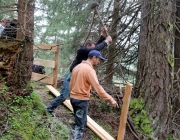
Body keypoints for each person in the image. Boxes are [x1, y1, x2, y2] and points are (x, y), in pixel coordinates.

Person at [46, 26, 112, 116]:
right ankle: (49, 109)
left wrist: (103, 34)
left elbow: (96, 47)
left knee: (76, 97)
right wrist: (106, 41)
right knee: (64, 96)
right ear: (88, 46)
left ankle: (77, 114)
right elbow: (95, 49)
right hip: (71, 75)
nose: (92, 52)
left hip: (77, 76)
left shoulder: (88, 51)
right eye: (91, 48)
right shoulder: (81, 50)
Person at [69, 50, 118, 140]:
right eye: (99, 59)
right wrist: (110, 98)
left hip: (73, 99)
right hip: (81, 101)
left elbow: (71, 84)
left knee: (81, 123)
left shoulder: (77, 67)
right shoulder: (89, 70)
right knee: (79, 126)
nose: (99, 62)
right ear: (94, 58)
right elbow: (98, 87)